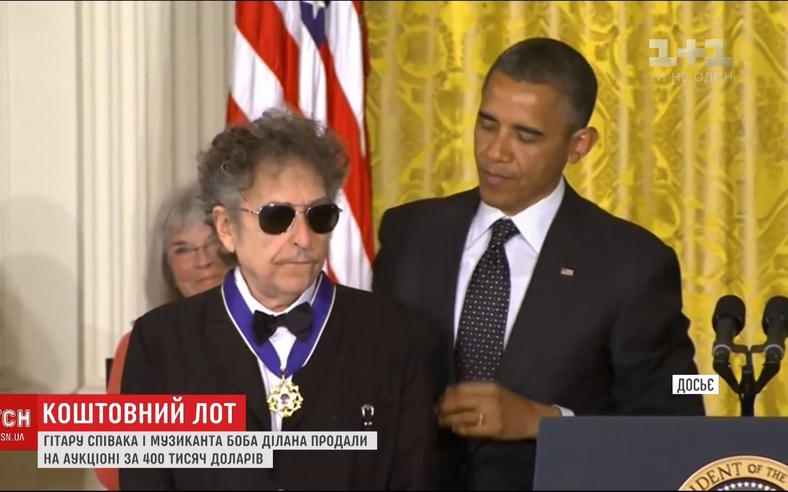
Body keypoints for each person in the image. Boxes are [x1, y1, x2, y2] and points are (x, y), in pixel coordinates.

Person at [373, 37, 705, 490]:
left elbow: (677, 423)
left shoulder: (635, 266)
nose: (495, 152)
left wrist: (545, 422)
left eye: (525, 136)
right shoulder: (409, 234)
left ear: (579, 145)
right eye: (487, 125)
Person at [120, 110, 435, 490]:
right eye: (277, 217)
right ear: (226, 228)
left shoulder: (395, 338)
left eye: (319, 215)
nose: (303, 238)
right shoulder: (161, 343)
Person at [95, 184, 231, 491]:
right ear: (166, 267)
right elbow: (114, 467)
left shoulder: (282, 331)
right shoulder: (143, 344)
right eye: (183, 249)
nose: (203, 260)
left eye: (213, 243)